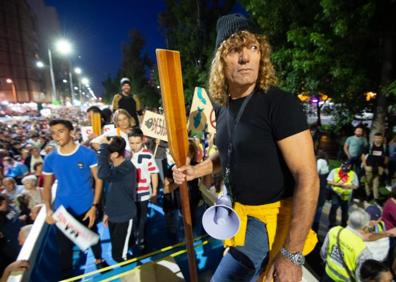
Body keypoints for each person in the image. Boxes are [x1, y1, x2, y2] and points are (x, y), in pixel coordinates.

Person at [173, 14, 318, 281]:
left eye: (253, 47)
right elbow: (230, 153)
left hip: (271, 224)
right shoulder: (223, 106)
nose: (246, 57)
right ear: (219, 60)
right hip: (238, 218)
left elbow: (307, 177)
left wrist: (292, 255)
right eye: (235, 50)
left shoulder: (279, 103)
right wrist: (196, 170)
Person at [42, 119, 107, 279]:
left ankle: (99, 259)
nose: (56, 136)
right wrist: (48, 210)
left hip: (86, 207)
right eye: (53, 133)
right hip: (62, 211)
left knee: (93, 237)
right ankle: (68, 276)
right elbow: (46, 187)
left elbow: (99, 180)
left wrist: (94, 206)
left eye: (61, 131)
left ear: (71, 132)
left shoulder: (87, 154)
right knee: (64, 249)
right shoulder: (50, 159)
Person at [97, 136, 137, 262]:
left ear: (114, 154)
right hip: (113, 215)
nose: (104, 156)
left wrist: (102, 148)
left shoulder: (127, 167)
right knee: (116, 248)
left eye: (106, 153)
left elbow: (102, 174)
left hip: (124, 216)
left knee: (119, 256)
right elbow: (111, 193)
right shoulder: (113, 167)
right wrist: (107, 212)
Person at [321, 208, 374, 281]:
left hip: (327, 275)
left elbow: (323, 253)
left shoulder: (334, 231)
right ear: (364, 228)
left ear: (348, 221)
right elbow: (360, 277)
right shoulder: (363, 250)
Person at [128, 128, 159, 248]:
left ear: (143, 141)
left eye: (137, 143)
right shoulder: (125, 154)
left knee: (142, 217)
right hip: (129, 194)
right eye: (131, 143)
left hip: (144, 192)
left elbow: (154, 172)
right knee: (132, 217)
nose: (134, 146)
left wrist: (155, 190)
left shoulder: (148, 155)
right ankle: (132, 237)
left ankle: (141, 238)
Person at [328, 161, 359, 227]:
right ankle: (332, 224)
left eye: (346, 171)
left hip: (347, 196)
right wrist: (338, 184)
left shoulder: (353, 174)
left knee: (345, 211)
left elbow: (356, 186)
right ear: (341, 166)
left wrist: (348, 187)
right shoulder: (334, 171)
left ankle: (344, 225)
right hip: (336, 193)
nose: (345, 172)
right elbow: (329, 181)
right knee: (334, 208)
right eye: (343, 170)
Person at [363, 133, 387, 201]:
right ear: (374, 138)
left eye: (379, 138)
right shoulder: (369, 146)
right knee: (368, 182)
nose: (378, 139)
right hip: (369, 167)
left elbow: (386, 157)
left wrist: (384, 166)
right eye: (376, 138)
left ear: (382, 139)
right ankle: (368, 195)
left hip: (379, 168)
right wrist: (365, 166)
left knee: (376, 183)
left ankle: (376, 198)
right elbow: (363, 156)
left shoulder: (384, 147)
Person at [313, 150, 330, 232]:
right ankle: (315, 230)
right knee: (319, 210)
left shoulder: (320, 161)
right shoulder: (326, 161)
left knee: (316, 210)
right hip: (323, 188)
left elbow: (316, 172)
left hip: (319, 187)